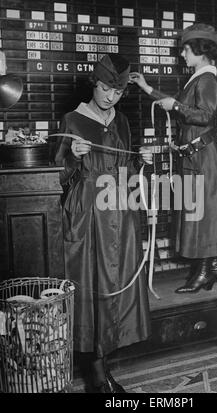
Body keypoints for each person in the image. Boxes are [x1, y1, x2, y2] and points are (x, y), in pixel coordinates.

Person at [55, 54, 152, 393]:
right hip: (88, 214)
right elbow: (59, 176)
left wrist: (142, 158)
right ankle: (95, 373)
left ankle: (104, 366)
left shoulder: (122, 121)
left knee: (115, 284)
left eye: (118, 92)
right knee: (92, 285)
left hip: (120, 210)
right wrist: (73, 156)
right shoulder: (72, 119)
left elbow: (125, 162)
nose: (111, 97)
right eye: (106, 89)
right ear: (93, 84)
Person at [130, 23, 217, 294]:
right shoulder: (198, 78)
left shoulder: (207, 80)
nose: (182, 54)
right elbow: (182, 106)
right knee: (202, 212)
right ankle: (213, 266)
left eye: (185, 49)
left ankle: (204, 272)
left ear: (199, 50)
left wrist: (177, 106)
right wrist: (147, 89)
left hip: (203, 158)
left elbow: (205, 115)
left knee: (202, 214)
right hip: (197, 157)